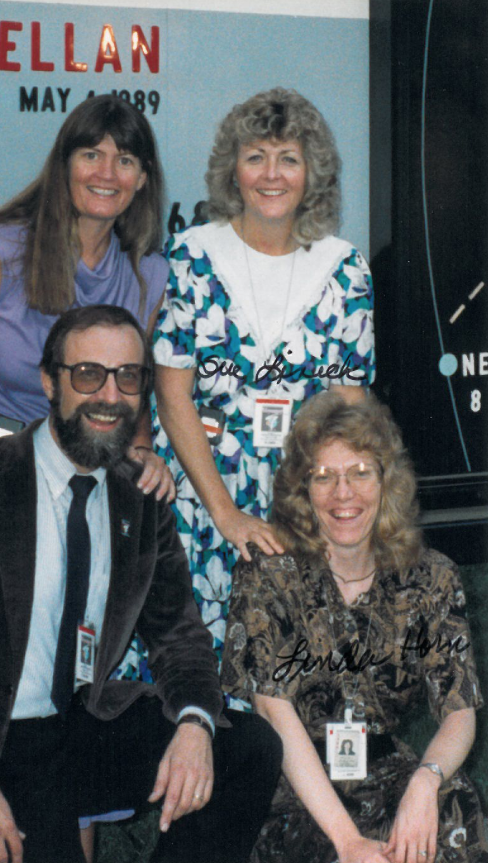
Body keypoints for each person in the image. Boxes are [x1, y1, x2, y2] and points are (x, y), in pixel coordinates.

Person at [0, 305, 281, 863]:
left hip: (78, 729)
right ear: (49, 381)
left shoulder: (141, 494)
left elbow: (178, 636)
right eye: (88, 374)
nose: (109, 396)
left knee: (247, 746)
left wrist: (193, 723)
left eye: (128, 377)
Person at [131, 87, 375, 690]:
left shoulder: (345, 268)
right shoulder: (190, 255)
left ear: (311, 171)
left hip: (303, 505)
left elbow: (352, 406)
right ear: (231, 170)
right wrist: (228, 514)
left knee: (288, 682)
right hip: (199, 502)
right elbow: (171, 395)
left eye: (288, 158)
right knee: (186, 676)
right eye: (256, 156)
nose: (272, 174)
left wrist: (341, 511)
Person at [222, 392, 487, 863]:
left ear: (388, 482)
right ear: (302, 489)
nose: (343, 493)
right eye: (323, 476)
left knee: (455, 807)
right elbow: (271, 708)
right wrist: (348, 841)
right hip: (293, 783)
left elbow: (459, 711)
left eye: (361, 472)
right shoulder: (267, 573)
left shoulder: (431, 577)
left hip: (385, 767)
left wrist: (425, 781)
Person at [0, 94, 172, 500]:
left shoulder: (149, 275)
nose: (108, 173)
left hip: (89, 472)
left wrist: (142, 451)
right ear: (64, 166)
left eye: (125, 160)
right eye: (91, 155)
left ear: (143, 178)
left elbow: (134, 389)